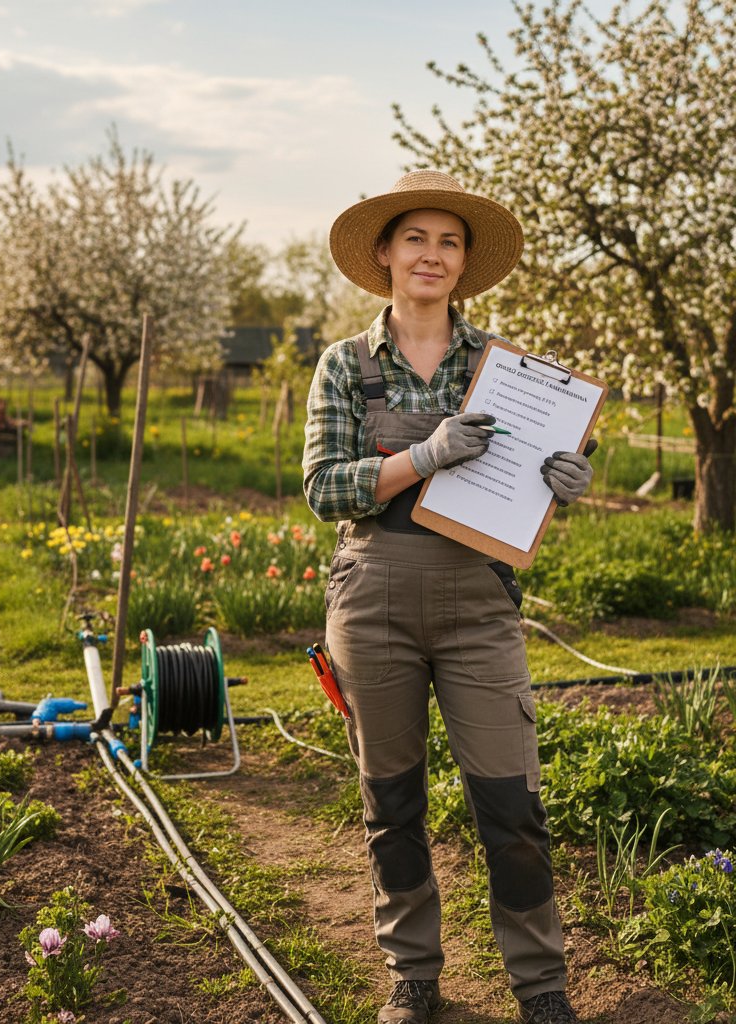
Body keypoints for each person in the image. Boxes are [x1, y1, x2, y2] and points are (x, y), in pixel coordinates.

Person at [303, 170, 595, 1024]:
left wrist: (559, 480)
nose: (432, 254)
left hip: (478, 600)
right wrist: (422, 458)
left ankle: (540, 985)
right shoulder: (344, 366)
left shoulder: (505, 371)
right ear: (386, 254)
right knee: (391, 800)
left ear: (465, 264)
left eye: (450, 241)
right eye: (417, 239)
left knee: (511, 799)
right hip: (373, 594)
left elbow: (519, 481)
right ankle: (414, 974)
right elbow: (324, 488)